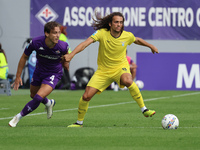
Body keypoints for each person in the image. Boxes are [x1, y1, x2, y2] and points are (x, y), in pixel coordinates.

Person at [64, 12, 159, 127]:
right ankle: (79, 123)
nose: (119, 24)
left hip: (120, 68)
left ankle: (144, 109)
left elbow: (137, 40)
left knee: (128, 81)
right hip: (103, 71)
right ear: (110, 24)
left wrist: (151, 46)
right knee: (86, 96)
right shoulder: (101, 33)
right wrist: (71, 55)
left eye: (121, 22)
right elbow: (85, 44)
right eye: (116, 22)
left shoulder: (126, 35)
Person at [9, 21, 69, 127]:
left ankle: (18, 117)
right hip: (39, 71)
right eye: (54, 33)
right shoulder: (36, 42)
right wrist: (18, 76)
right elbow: (24, 57)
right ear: (47, 33)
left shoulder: (63, 46)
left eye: (59, 32)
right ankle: (48, 103)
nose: (58, 35)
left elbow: (66, 59)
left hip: (53, 74)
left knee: (37, 97)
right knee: (33, 95)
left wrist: (66, 63)